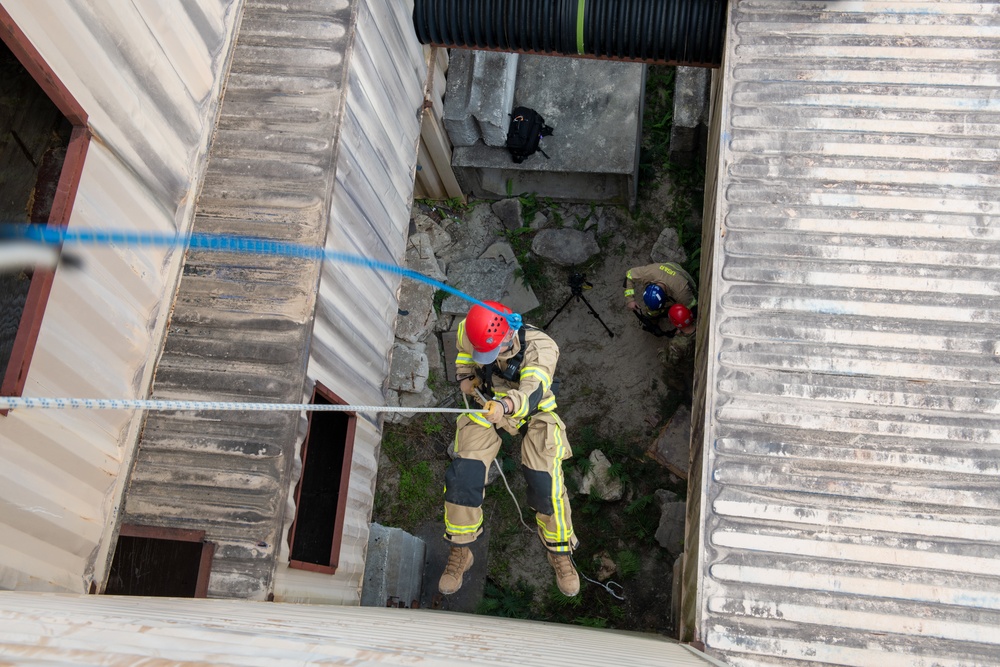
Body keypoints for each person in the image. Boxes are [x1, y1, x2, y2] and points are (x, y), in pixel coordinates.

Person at [439, 300, 580, 597]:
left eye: (495, 351)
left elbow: (532, 391)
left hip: (532, 411)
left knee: (546, 483)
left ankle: (560, 550)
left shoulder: (542, 348)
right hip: (487, 404)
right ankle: (462, 550)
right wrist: (466, 374)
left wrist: (505, 406)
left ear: (510, 334)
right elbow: (465, 350)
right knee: (463, 474)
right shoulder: (473, 328)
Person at [623, 262, 697, 337]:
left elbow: (692, 309)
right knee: (652, 311)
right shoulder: (648, 273)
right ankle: (653, 316)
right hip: (661, 274)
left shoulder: (681, 294)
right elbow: (629, 275)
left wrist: (682, 327)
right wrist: (630, 300)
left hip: (679, 278)